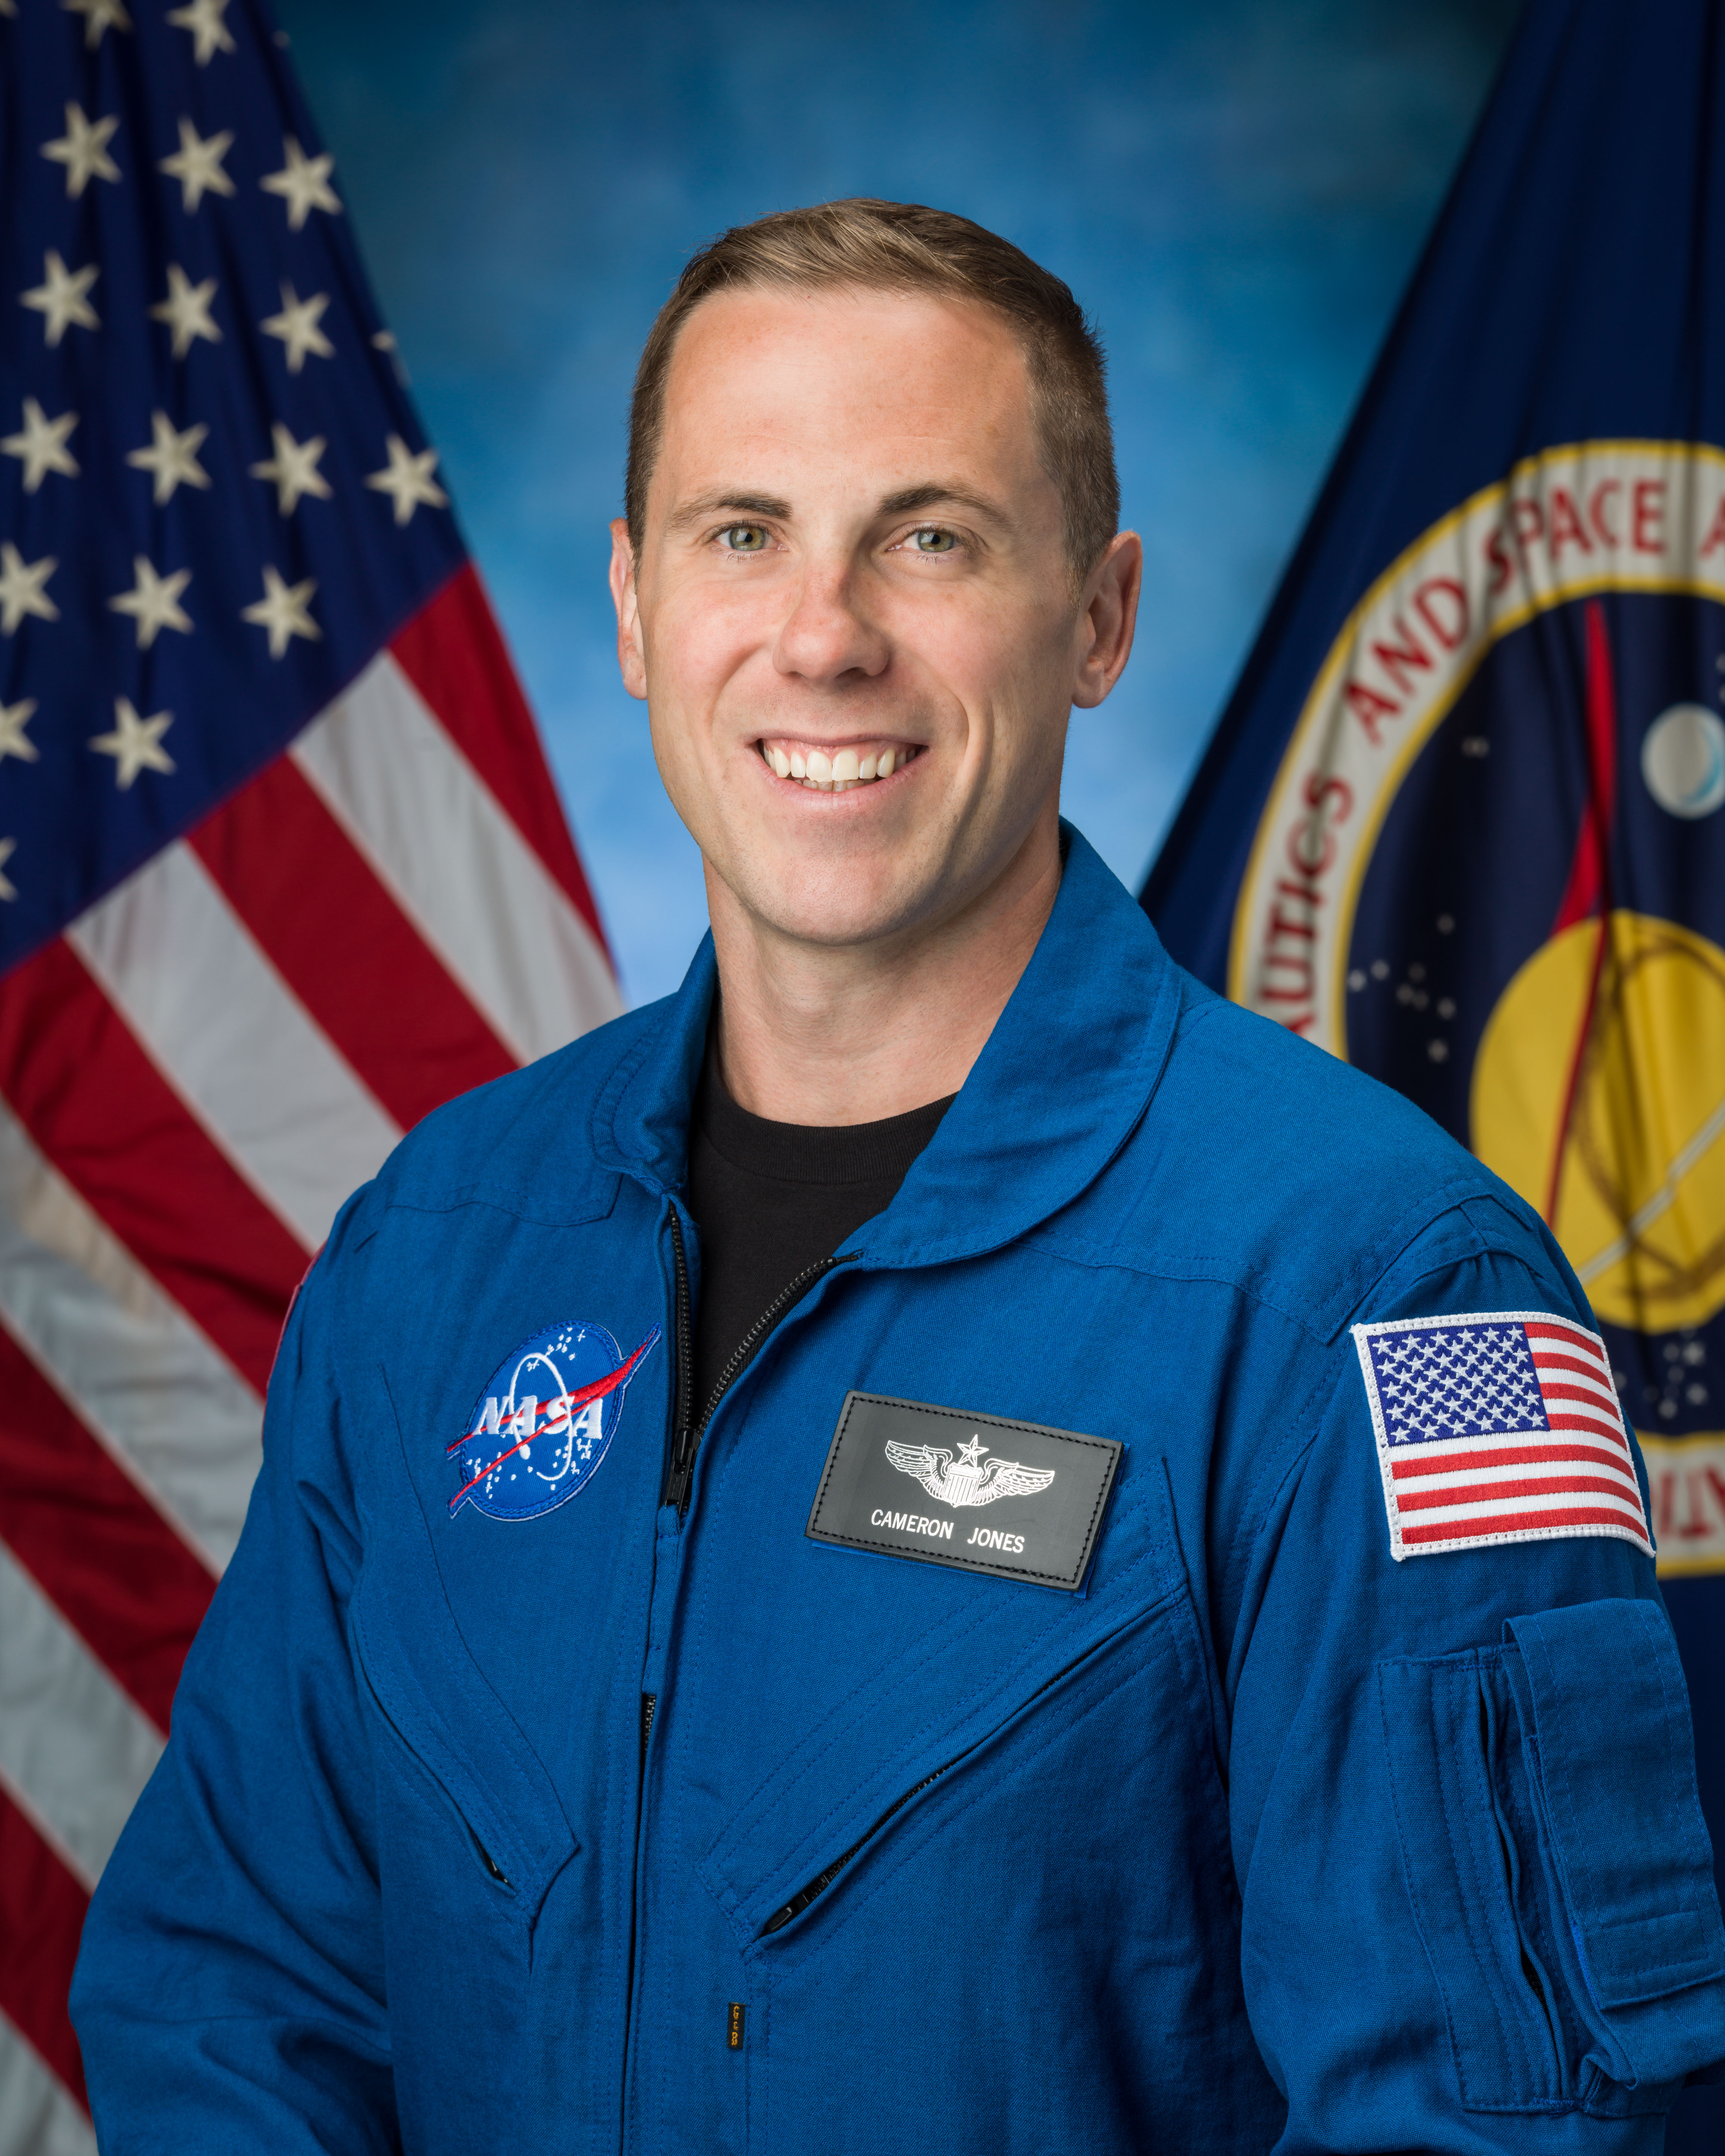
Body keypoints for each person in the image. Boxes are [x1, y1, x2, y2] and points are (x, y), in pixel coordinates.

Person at [74, 199, 1725, 2153]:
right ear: (628, 601)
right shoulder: (432, 1256)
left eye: (928, 537)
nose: (824, 635)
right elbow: (236, 2005)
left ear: (1097, 614)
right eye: (741, 531)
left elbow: (1509, 2124)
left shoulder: (1391, 1294)